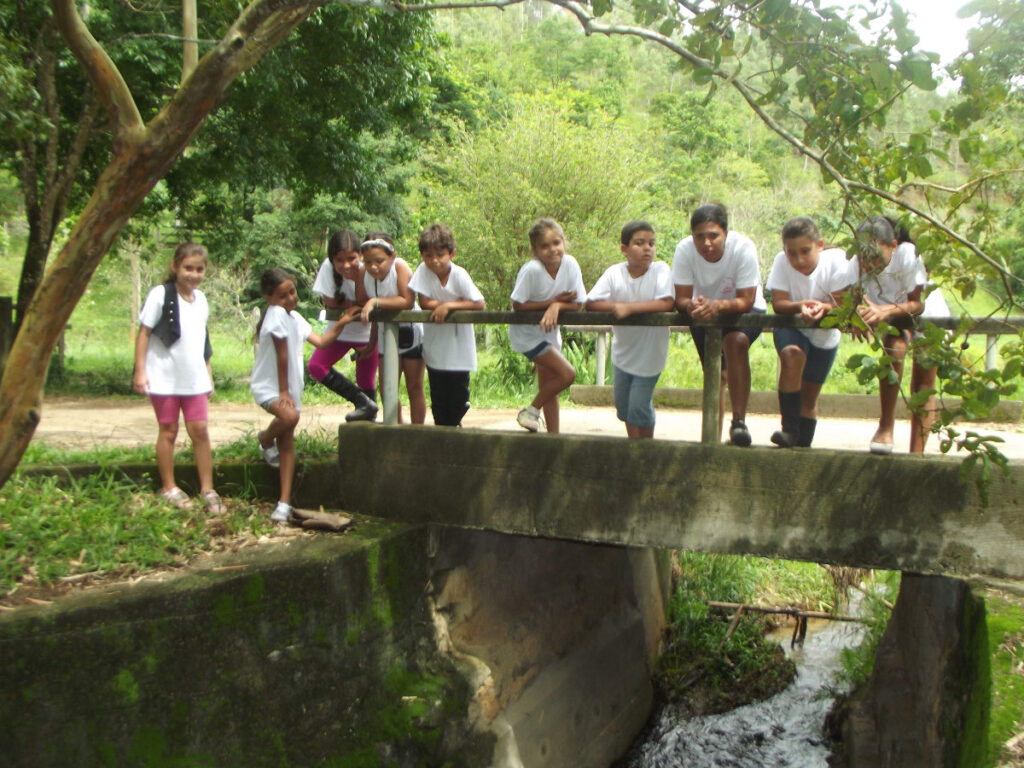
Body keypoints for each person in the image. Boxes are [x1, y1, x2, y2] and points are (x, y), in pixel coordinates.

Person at [252, 268, 359, 522]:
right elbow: (282, 354)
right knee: (289, 419)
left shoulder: (295, 318)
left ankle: (284, 503)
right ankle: (265, 440)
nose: (291, 298)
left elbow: (321, 342)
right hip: (271, 386)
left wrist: (342, 321)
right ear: (269, 298)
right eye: (282, 295)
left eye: (292, 291)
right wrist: (283, 391)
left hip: (290, 388)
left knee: (288, 440)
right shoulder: (275, 314)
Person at [133, 243, 222, 513]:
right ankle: (169, 487)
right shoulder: (160, 295)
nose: (193, 274)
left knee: (200, 430)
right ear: (175, 267)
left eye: (199, 269)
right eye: (188, 268)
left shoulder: (202, 300)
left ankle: (207, 488)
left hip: (193, 377)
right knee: (169, 431)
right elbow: (144, 333)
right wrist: (140, 370)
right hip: (163, 376)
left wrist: (208, 373)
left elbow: (202, 339)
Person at [672, 203, 767, 446]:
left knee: (734, 342)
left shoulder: (743, 248)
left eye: (713, 235)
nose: (706, 244)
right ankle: (711, 437)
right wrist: (691, 306)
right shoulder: (684, 250)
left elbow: (746, 300)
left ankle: (739, 422)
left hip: (742, 308)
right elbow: (680, 298)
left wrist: (719, 305)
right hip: (703, 310)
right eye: (699, 237)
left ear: (725, 233)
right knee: (715, 375)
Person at [765, 217, 852, 448]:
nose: (799, 259)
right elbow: (779, 303)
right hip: (792, 326)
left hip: (825, 336)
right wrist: (800, 305)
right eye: (792, 253)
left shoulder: (837, 261)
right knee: (792, 355)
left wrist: (824, 308)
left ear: (820, 245)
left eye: (805, 251)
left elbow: (843, 304)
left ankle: (803, 447)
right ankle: (789, 430)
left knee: (809, 398)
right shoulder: (781, 262)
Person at [585, 220, 674, 439]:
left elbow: (666, 303)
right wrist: (617, 307)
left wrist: (629, 309)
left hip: (651, 354)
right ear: (624, 249)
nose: (647, 248)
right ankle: (633, 446)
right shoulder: (615, 273)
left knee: (638, 406)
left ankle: (645, 449)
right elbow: (592, 302)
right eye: (640, 243)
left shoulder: (661, 270)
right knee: (624, 408)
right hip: (623, 352)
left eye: (652, 243)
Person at [850, 215, 926, 454]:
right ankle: (886, 426)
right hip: (893, 320)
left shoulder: (906, 254)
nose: (868, 263)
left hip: (924, 317)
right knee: (893, 350)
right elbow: (854, 296)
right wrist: (854, 315)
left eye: (874, 256)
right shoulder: (857, 262)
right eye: (864, 257)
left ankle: (918, 452)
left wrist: (884, 310)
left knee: (923, 381)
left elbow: (917, 304)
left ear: (893, 245)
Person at [509, 218, 585, 434]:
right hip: (528, 335)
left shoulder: (570, 265)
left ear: (564, 242)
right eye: (545, 246)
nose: (553, 250)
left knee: (550, 386)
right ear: (535, 249)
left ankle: (553, 438)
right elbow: (518, 304)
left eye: (556, 243)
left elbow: (578, 304)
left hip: (550, 333)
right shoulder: (531, 270)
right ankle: (531, 410)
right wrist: (550, 304)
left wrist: (558, 305)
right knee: (567, 374)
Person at [408, 224, 486, 427]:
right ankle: (443, 436)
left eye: (440, 255)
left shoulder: (459, 274)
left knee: (459, 397)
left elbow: (478, 303)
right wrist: (457, 303)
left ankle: (453, 428)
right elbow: (425, 302)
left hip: (459, 348)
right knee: (439, 398)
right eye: (428, 255)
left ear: (452, 254)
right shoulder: (423, 272)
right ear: (422, 255)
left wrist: (448, 306)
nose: (434, 260)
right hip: (435, 346)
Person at [308, 229, 378, 422]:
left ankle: (368, 423)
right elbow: (330, 301)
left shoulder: (370, 267)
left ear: (360, 255)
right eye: (339, 260)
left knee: (366, 379)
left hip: (368, 333)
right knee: (316, 366)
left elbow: (378, 300)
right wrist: (353, 306)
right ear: (332, 259)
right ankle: (361, 401)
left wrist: (357, 305)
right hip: (339, 330)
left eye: (351, 258)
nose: (346, 265)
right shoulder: (327, 268)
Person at [358, 232, 427, 424]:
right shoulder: (363, 274)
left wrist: (375, 301)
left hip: (411, 333)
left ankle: (417, 432)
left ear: (392, 256)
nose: (373, 266)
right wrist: (371, 344)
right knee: (387, 387)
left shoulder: (400, 267)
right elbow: (367, 309)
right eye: (368, 261)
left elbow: (406, 300)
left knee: (414, 386)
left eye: (379, 261)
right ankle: (395, 428)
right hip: (383, 334)